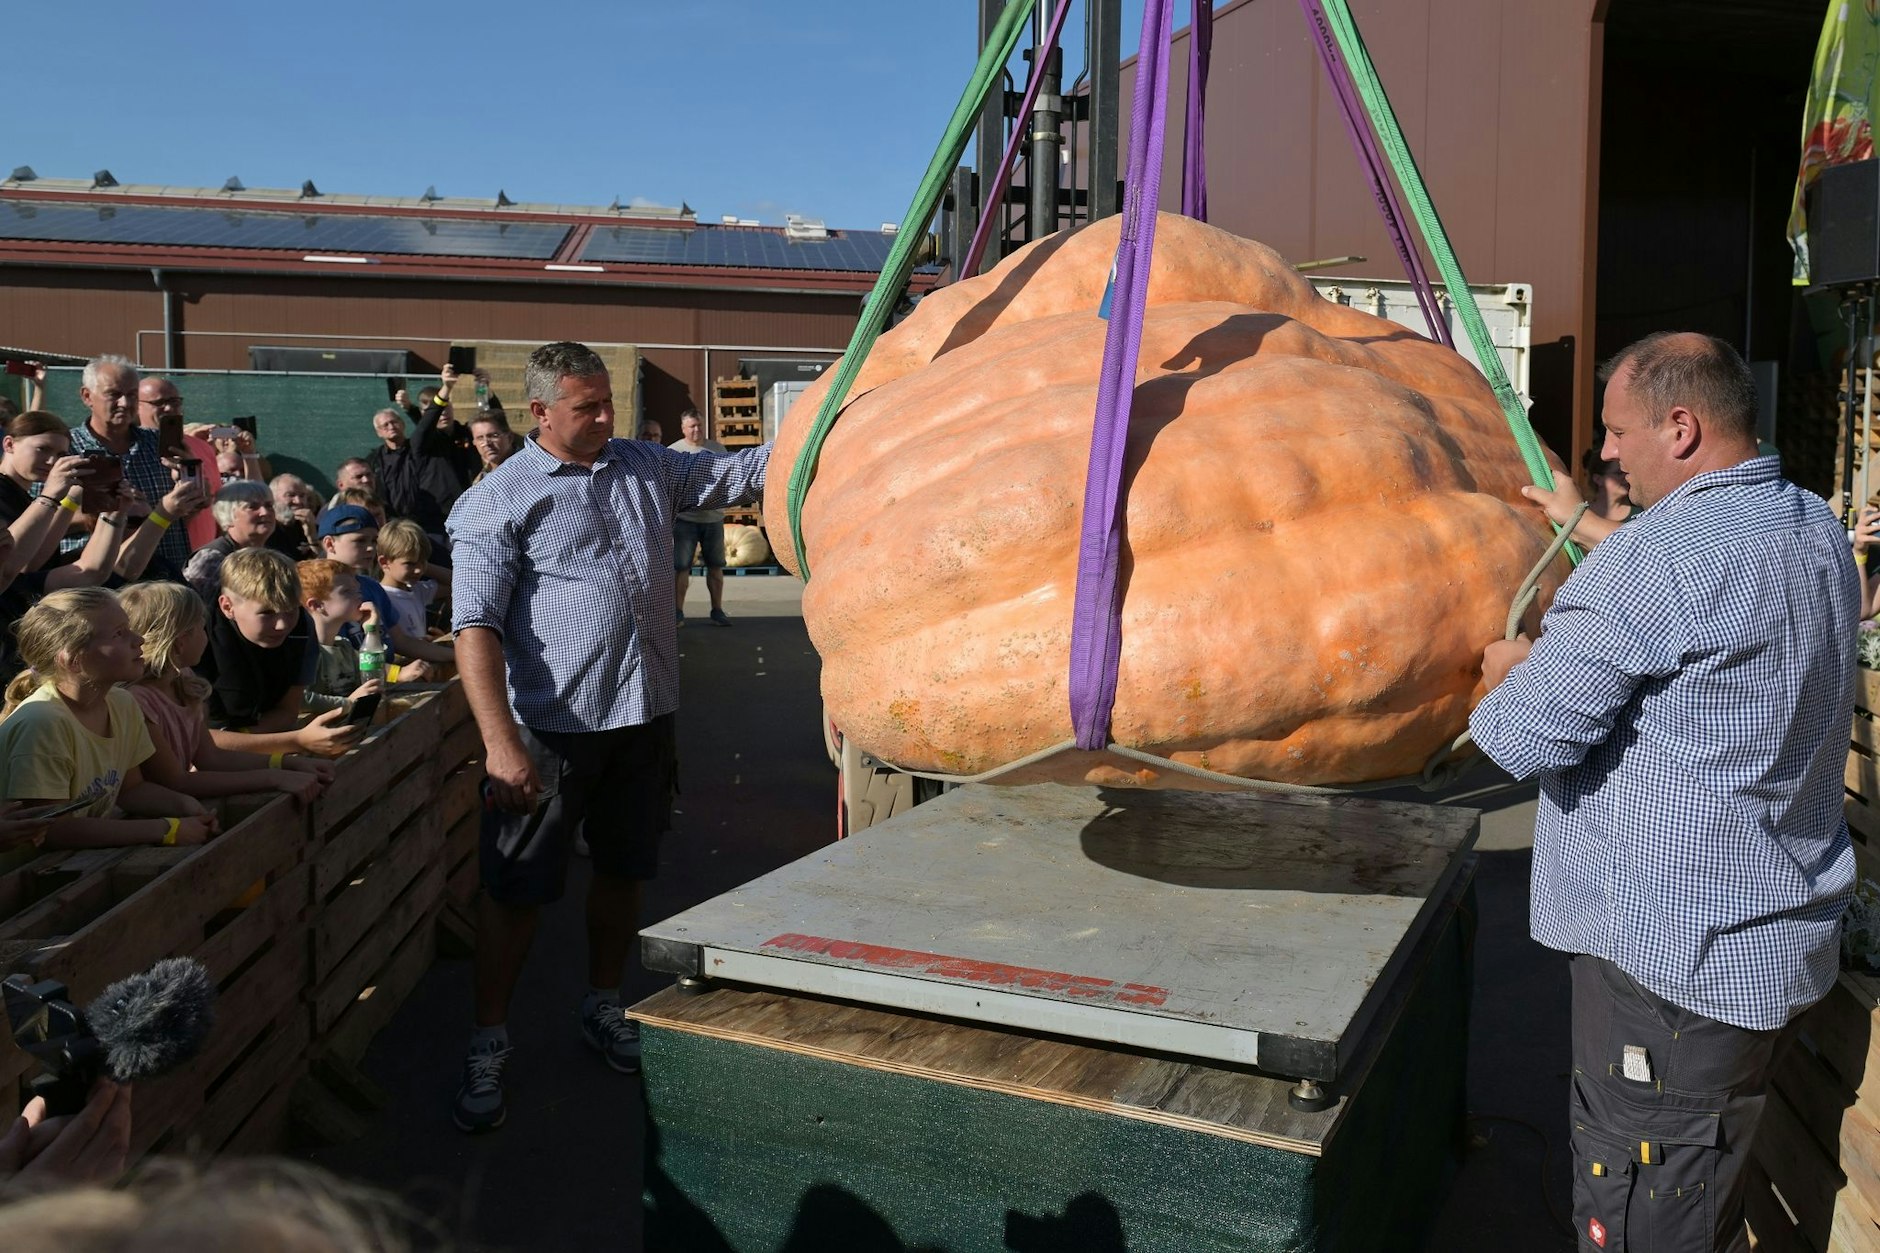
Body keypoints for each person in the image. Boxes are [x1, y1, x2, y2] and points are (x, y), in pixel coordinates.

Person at [1469, 332, 1857, 1253]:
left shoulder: (1653, 560)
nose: (1605, 453)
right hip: (1762, 946)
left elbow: (1520, 736)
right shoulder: (1811, 528)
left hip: (1669, 976)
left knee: (1645, 1215)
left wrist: (1505, 674)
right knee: (1699, 1184)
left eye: (1616, 430)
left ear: (1680, 428)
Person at [444, 340, 768, 1133]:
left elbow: (738, 471)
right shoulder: (501, 498)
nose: (603, 418)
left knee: (625, 868)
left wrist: (832, 419)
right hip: (551, 730)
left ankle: (602, 1000)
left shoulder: (645, 465)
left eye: (606, 403)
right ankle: (489, 1038)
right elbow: (474, 629)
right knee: (516, 890)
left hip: (643, 716)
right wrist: (500, 744)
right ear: (541, 412)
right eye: (585, 407)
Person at [0, 589, 215, 851]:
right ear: (74, 660)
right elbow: (54, 829)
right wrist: (166, 830)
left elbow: (131, 789)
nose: (139, 639)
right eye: (119, 634)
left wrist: (186, 807)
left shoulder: (121, 703)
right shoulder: (42, 722)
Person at [119, 580, 333, 805]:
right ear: (180, 641)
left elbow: (212, 758)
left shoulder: (183, 681)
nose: (206, 636)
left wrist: (287, 764)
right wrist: (273, 778)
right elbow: (177, 782)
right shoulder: (138, 701)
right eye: (201, 628)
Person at [196, 548, 360, 759]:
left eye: (290, 610)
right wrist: (297, 740)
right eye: (267, 613)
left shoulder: (301, 627)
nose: (282, 625)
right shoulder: (198, 640)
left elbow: (286, 712)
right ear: (228, 607)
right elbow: (202, 742)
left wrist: (243, 738)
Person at [65, 357, 204, 571]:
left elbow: (197, 505)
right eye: (114, 394)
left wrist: (191, 483)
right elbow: (42, 519)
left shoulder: (159, 443)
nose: (125, 403)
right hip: (95, 578)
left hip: (165, 570)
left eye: (132, 395)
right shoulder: (66, 449)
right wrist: (116, 510)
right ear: (87, 396)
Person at [136, 376, 223, 551]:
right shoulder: (135, 452)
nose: (168, 408)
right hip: (162, 554)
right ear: (137, 406)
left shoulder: (202, 447)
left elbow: (216, 502)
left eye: (174, 401)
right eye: (159, 402)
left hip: (205, 554)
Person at [366, 390, 466, 539]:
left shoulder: (421, 447)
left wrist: (410, 407)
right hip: (394, 524)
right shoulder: (374, 461)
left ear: (403, 424)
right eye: (385, 425)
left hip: (432, 519)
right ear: (378, 432)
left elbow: (426, 426)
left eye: (394, 422)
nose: (391, 426)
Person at [670, 408, 732, 627]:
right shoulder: (673, 451)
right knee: (681, 568)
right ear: (683, 428)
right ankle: (677, 612)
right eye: (691, 426)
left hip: (713, 519)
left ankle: (717, 610)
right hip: (685, 519)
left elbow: (728, 478)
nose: (696, 430)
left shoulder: (717, 449)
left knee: (716, 566)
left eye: (699, 425)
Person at [296, 558, 380, 717]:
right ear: (316, 605)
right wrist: (348, 703)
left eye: (357, 590)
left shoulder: (344, 647)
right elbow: (300, 700)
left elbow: (374, 679)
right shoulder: (304, 652)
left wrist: (371, 632)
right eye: (347, 591)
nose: (359, 596)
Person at [317, 505, 398, 654]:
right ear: (329, 544)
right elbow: (333, 656)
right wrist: (397, 674)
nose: (370, 548)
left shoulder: (372, 587)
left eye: (374, 541)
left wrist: (451, 653)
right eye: (360, 541)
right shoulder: (318, 591)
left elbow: (401, 641)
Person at [182, 480, 279, 603]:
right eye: (252, 507)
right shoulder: (211, 559)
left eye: (269, 505)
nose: (265, 512)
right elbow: (191, 607)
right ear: (228, 514)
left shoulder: (273, 555)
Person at [375, 519, 453, 670]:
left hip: (422, 666)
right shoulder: (381, 597)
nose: (418, 570)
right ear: (384, 562)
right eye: (410, 564)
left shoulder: (417, 589)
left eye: (422, 562)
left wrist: (422, 563)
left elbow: (455, 582)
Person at [269, 473, 322, 560]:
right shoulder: (265, 529)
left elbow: (325, 564)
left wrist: (312, 536)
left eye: (302, 496)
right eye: (290, 495)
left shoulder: (313, 528)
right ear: (272, 498)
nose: (298, 501)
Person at [467, 413, 515, 484]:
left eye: (493, 436)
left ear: (509, 437)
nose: (486, 443)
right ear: (474, 443)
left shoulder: (528, 469)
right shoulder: (481, 480)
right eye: (480, 438)